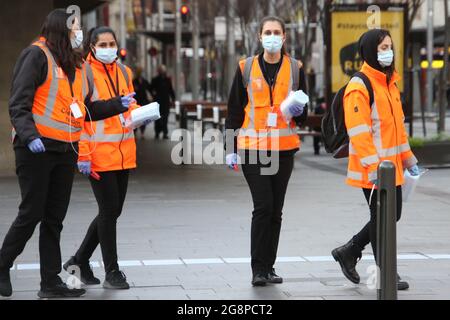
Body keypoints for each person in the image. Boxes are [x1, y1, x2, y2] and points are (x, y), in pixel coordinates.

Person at [0, 10, 134, 298]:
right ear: (60, 28)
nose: (79, 33)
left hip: (64, 150)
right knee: (31, 213)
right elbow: (18, 103)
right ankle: (2, 265)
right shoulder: (36, 56)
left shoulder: (76, 64)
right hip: (35, 148)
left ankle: (50, 283)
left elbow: (85, 111)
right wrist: (30, 135)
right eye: (75, 28)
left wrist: (117, 104)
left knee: (54, 219)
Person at [331, 29, 420, 291]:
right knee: (383, 217)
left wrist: (408, 158)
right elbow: (358, 131)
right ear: (370, 50)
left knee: (390, 215)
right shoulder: (360, 85)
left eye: (390, 47)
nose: (387, 52)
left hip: (391, 168)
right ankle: (386, 273)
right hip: (374, 169)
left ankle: (349, 251)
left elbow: (397, 128)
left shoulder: (389, 82)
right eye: (382, 47)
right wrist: (374, 167)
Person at [225, 16, 308, 287]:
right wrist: (230, 148)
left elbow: (304, 115)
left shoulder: (296, 68)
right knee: (263, 206)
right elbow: (235, 110)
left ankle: (269, 267)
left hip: (284, 150)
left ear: (284, 37)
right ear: (259, 37)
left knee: (276, 211)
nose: (272, 37)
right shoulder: (245, 67)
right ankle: (258, 269)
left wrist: (299, 110)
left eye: (277, 32)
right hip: (252, 149)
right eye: (267, 32)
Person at [63, 27, 148, 290]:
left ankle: (79, 260)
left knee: (112, 211)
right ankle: (113, 271)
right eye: (103, 44)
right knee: (109, 212)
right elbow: (80, 116)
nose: (109, 47)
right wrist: (84, 154)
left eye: (112, 42)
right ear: (91, 46)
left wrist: (140, 113)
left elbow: (129, 103)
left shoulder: (124, 71)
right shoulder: (83, 72)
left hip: (123, 153)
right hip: (97, 155)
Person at [150, 65, 175, 139]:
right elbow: (151, 88)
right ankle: (157, 132)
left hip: (165, 101)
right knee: (157, 117)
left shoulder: (168, 80)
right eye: (160, 70)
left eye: (163, 70)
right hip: (157, 102)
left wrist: (173, 98)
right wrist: (154, 95)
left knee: (165, 118)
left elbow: (170, 89)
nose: (162, 72)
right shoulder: (155, 80)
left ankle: (165, 132)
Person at [133, 66, 152, 139]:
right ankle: (135, 132)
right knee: (136, 119)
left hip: (143, 102)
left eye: (141, 72)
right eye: (139, 72)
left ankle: (142, 132)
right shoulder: (134, 81)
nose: (140, 74)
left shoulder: (144, 81)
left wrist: (152, 96)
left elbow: (149, 88)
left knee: (143, 118)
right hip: (136, 102)